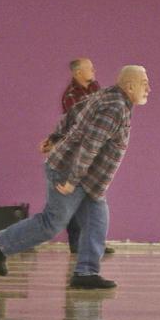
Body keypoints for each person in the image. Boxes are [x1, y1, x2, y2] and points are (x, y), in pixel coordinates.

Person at [0, 66, 151, 289]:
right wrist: (72, 179)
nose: (148, 88)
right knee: (52, 223)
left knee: (97, 220)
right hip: (70, 171)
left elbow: (73, 113)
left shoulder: (107, 95)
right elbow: (90, 145)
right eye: (144, 83)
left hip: (87, 178)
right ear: (129, 86)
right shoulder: (115, 108)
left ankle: (86, 273)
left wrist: (55, 137)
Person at [48, 58, 110, 255]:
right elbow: (82, 121)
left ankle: (94, 243)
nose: (94, 70)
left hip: (94, 150)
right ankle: (77, 243)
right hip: (76, 153)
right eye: (89, 68)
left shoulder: (95, 87)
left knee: (93, 197)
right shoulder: (71, 96)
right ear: (77, 73)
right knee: (74, 198)